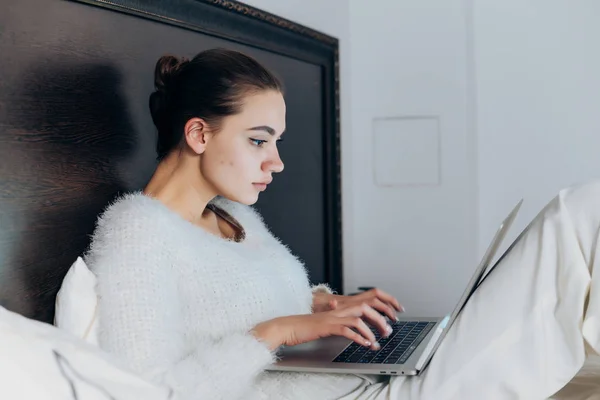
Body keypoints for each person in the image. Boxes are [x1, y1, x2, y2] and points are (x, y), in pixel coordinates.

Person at [85, 48, 600, 400]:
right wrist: (280, 330)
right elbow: (150, 391)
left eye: (276, 142)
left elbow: (226, 301)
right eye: (259, 140)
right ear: (199, 133)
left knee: (578, 230)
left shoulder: (231, 215)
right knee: (578, 214)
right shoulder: (137, 232)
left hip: (366, 382)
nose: (277, 162)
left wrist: (324, 305)